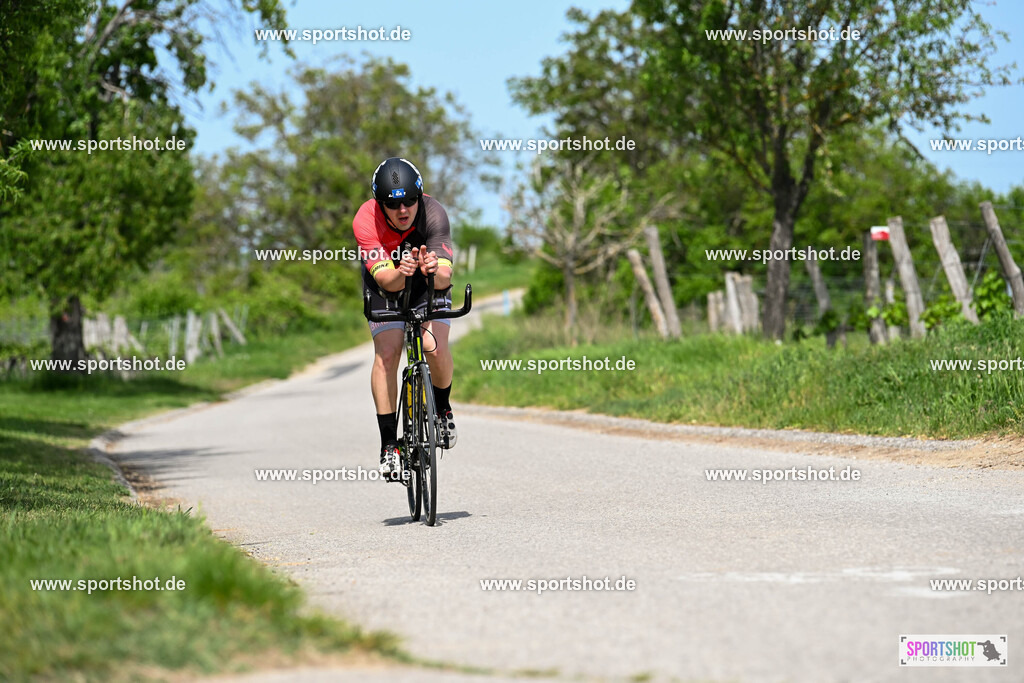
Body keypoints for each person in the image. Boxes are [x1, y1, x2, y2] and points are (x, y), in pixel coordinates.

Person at [352, 157, 458, 478]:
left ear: (419, 196)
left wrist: (431, 269)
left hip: (427, 283)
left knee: (433, 347)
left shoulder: (434, 212)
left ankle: (442, 408)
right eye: (392, 204)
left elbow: (445, 277)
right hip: (385, 285)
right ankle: (389, 445)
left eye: (410, 201)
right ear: (379, 203)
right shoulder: (366, 219)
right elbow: (387, 281)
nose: (403, 210)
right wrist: (402, 272)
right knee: (387, 353)